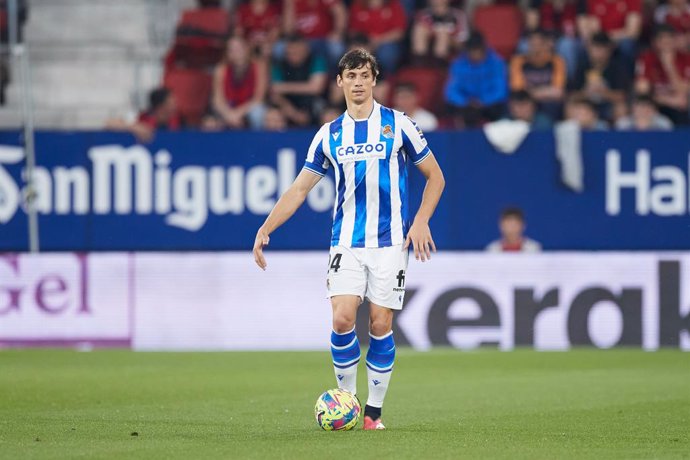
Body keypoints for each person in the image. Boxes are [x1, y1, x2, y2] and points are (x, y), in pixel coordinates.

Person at [253, 48, 445, 430]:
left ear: (375, 80)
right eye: (351, 76)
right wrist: (266, 227)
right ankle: (348, 402)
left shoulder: (399, 125)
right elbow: (299, 189)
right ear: (339, 82)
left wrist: (421, 221)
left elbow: (435, 177)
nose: (358, 83)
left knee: (379, 324)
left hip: (390, 242)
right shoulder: (329, 134)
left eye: (364, 75)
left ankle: (373, 413)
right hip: (346, 241)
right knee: (342, 319)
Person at [445, 32, 508, 128]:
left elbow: (500, 90)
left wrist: (483, 101)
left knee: (499, 107)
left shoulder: (496, 63)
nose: (475, 54)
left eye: (477, 51)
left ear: (484, 49)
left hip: (488, 104)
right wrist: (465, 102)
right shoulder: (458, 64)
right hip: (466, 104)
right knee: (451, 107)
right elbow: (451, 91)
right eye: (472, 51)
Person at [206, 36, 268, 130]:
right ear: (227, 53)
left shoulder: (259, 67)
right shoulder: (221, 69)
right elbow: (217, 99)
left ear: (246, 49)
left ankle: (257, 142)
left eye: (238, 48)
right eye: (231, 49)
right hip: (228, 109)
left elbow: (258, 98)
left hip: (248, 108)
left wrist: (237, 114)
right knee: (209, 122)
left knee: (258, 113)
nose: (235, 52)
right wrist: (229, 115)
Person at [635, 25, 690, 125]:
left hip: (680, 106)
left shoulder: (686, 58)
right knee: (642, 109)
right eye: (662, 41)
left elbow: (683, 90)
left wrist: (669, 65)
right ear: (655, 42)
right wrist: (667, 100)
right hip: (656, 104)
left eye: (669, 40)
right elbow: (642, 90)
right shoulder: (647, 58)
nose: (666, 44)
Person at [570, 31, 631, 121]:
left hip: (608, 105)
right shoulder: (582, 66)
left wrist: (603, 92)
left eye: (602, 49)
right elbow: (572, 95)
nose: (598, 53)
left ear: (609, 50)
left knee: (621, 108)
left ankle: (618, 134)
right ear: (589, 49)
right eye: (595, 49)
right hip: (586, 105)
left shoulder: (617, 67)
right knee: (570, 106)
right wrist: (586, 92)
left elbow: (622, 95)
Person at [270, 34, 329, 126]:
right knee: (273, 116)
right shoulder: (280, 65)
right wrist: (294, 114)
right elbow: (275, 93)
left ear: (306, 49)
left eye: (297, 51)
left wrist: (284, 87)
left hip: (314, 104)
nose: (293, 54)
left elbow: (316, 88)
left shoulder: (316, 61)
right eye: (290, 52)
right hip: (289, 106)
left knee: (329, 116)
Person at [510, 29, 567, 121]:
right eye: (532, 44)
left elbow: (558, 92)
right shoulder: (518, 61)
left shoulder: (557, 61)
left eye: (539, 44)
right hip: (525, 102)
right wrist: (546, 91)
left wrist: (531, 92)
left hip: (548, 103)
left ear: (546, 45)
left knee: (554, 106)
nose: (535, 48)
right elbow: (518, 89)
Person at [106, 87, 181, 143]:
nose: (175, 106)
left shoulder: (179, 121)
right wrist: (135, 127)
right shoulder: (142, 118)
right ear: (161, 106)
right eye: (171, 103)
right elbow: (110, 123)